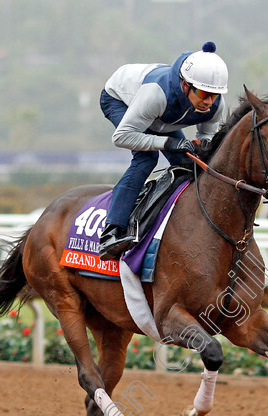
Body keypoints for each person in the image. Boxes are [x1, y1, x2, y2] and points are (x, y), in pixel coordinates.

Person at [97, 41, 228, 260]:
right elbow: (121, 137)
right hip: (122, 99)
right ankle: (112, 232)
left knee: (188, 164)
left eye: (214, 95)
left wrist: (202, 148)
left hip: (161, 118)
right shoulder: (156, 94)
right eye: (204, 93)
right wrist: (167, 143)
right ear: (185, 85)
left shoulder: (215, 105)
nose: (208, 102)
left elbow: (206, 138)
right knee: (146, 159)